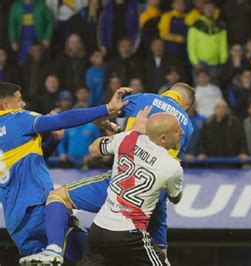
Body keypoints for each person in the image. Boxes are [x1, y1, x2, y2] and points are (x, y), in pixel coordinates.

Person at [23, 83, 195, 264]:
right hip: (151, 200)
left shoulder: (142, 100)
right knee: (160, 253)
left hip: (116, 186)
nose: (180, 131)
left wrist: (121, 130)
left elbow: (102, 133)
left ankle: (54, 249)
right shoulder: (186, 128)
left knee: (58, 197)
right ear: (187, 107)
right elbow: (165, 166)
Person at [0, 82, 131, 264]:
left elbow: (25, 161)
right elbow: (63, 119)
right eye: (19, 100)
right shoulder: (18, 118)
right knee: (93, 258)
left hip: (16, 222)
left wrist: (53, 143)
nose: (23, 105)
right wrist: (107, 108)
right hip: (39, 207)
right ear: (6, 105)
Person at [80, 108, 183, 265]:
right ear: (163, 138)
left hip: (99, 229)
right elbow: (175, 198)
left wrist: (133, 131)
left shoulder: (127, 138)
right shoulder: (172, 167)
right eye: (177, 130)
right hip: (129, 234)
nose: (181, 132)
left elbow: (93, 149)